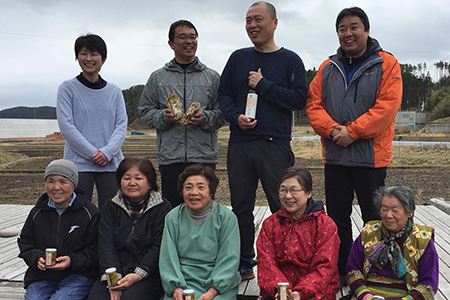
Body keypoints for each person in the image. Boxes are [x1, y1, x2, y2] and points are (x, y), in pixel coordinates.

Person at [306, 7, 403, 281]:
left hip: (371, 159)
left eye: (353, 27)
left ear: (367, 30)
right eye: (342, 29)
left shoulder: (387, 64)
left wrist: (353, 132)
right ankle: (342, 271)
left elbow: (386, 109)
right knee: (337, 219)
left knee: (375, 219)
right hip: (335, 158)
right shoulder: (327, 68)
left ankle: (375, 272)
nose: (348, 33)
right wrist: (334, 131)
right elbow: (314, 106)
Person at [217, 1, 308, 279]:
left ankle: (287, 260)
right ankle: (245, 261)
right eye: (247, 21)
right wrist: (236, 118)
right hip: (241, 144)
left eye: (258, 19)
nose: (252, 26)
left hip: (275, 144)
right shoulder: (237, 58)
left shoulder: (290, 60)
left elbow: (298, 99)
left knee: (282, 205)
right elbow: (223, 96)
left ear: (274, 23)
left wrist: (264, 85)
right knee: (240, 206)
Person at [139, 20, 225, 208]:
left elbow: (223, 113)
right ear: (171, 43)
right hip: (171, 158)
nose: (189, 41)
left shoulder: (212, 77)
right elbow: (144, 112)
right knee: (173, 211)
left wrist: (205, 118)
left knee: (205, 210)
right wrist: (162, 117)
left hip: (203, 157)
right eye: (182, 37)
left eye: (193, 36)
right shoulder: (158, 77)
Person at [57, 34, 128, 209]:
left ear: (103, 59)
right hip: (78, 164)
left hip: (111, 163)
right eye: (83, 53)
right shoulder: (67, 88)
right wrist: (93, 154)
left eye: (94, 54)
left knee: (112, 213)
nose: (89, 59)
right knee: (77, 213)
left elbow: (121, 126)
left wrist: (107, 152)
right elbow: (67, 126)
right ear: (77, 57)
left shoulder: (114, 91)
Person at [88, 157, 172, 300]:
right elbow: (105, 242)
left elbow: (158, 245)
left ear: (150, 183)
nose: (132, 183)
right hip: (114, 270)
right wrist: (114, 279)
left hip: (147, 273)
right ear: (120, 182)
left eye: (138, 178)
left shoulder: (162, 207)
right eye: (126, 178)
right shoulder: (110, 206)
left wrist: (137, 275)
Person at [18, 159, 100, 300]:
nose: (56, 187)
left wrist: (71, 261)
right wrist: (37, 258)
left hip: (79, 275)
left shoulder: (90, 212)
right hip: (41, 276)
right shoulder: (37, 212)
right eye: (51, 181)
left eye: (63, 181)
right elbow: (25, 243)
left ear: (73, 184)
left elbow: (96, 250)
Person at [159, 164, 240, 300]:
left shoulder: (226, 217)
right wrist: (176, 287)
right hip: (183, 279)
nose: (194, 192)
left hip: (218, 283)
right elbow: (168, 257)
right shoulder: (173, 217)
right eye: (188, 187)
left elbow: (229, 258)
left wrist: (212, 291)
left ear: (211, 192)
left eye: (201, 187)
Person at [256, 167, 340, 299]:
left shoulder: (325, 225)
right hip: (278, 292)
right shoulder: (270, 224)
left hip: (315, 291)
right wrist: (283, 291)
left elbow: (325, 266)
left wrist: (301, 292)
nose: (288, 196)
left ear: (308, 193)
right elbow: (266, 262)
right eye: (283, 190)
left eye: (294, 190)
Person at [346, 185, 439, 299]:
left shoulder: (422, 239)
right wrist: (364, 293)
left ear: (410, 212)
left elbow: (429, 283)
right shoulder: (369, 232)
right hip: (369, 294)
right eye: (384, 209)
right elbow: (352, 268)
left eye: (395, 210)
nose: (388, 215)